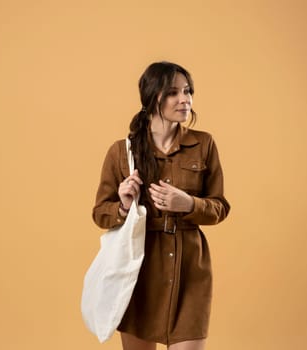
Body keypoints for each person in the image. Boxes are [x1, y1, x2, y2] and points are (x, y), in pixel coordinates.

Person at [92, 61, 230, 350]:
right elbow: (100, 213)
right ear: (153, 97)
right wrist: (123, 206)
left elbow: (220, 207)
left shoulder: (204, 144)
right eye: (174, 93)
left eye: (188, 91)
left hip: (190, 270)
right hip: (138, 271)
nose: (185, 99)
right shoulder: (122, 152)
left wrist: (189, 203)